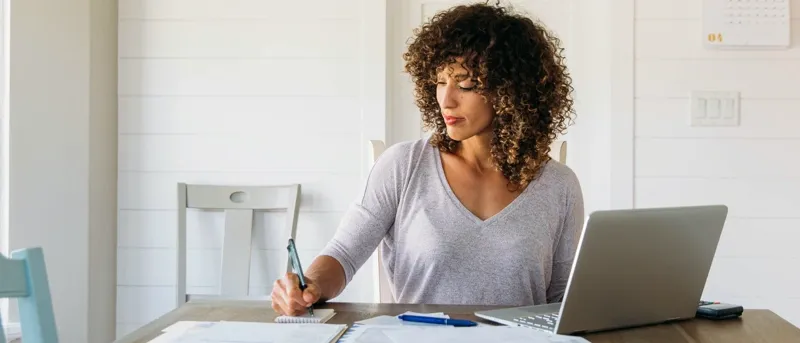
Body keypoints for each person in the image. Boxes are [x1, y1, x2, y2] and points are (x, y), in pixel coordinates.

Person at [271, 2, 584, 316]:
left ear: (512, 92)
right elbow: (342, 254)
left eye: (465, 84)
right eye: (439, 82)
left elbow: (563, 301)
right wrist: (307, 286)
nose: (446, 100)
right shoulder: (404, 166)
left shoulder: (559, 185)